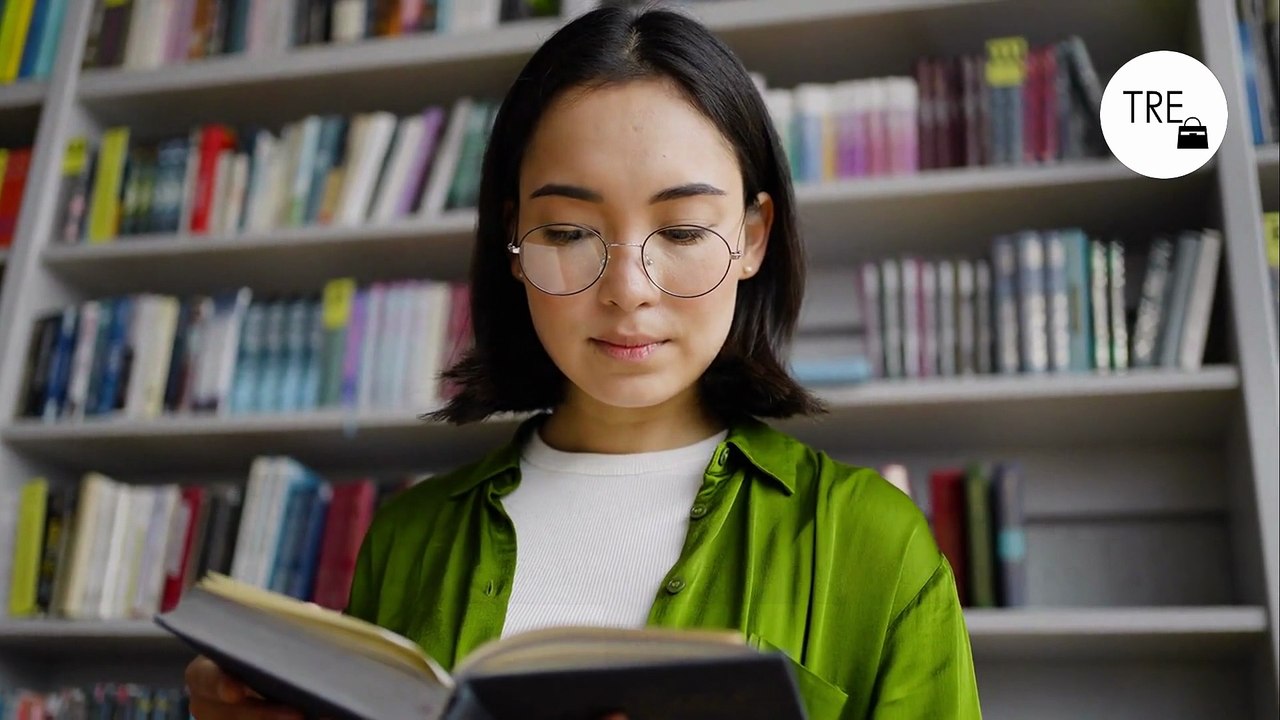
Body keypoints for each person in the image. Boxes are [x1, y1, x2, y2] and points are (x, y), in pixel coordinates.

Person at [184, 5, 982, 719]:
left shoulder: (872, 544)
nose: (628, 290)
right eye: (567, 234)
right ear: (513, 243)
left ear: (752, 237)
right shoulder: (409, 538)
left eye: (681, 232)